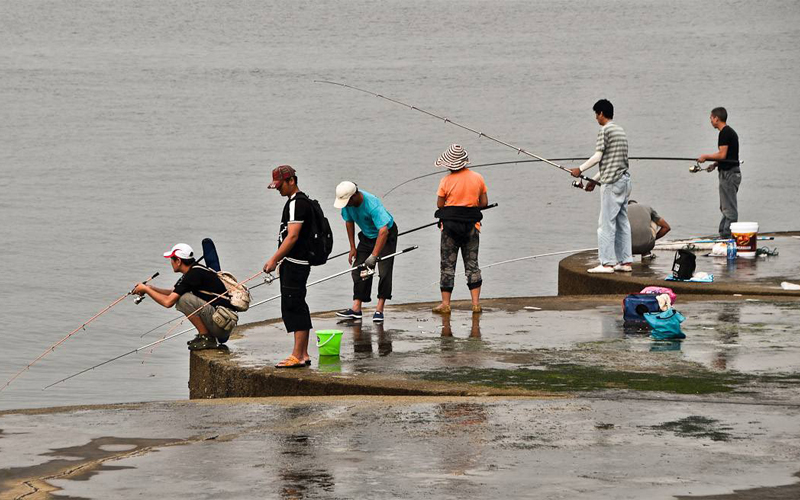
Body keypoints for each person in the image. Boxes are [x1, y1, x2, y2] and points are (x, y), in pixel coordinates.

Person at [133, 243, 236, 351]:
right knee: (181, 296)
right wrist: (151, 288)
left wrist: (146, 289)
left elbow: (168, 302)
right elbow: (173, 292)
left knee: (182, 300)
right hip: (223, 324)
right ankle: (205, 336)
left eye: (172, 259)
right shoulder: (195, 270)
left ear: (178, 261)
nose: (171, 262)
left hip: (221, 325)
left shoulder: (193, 275)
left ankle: (206, 337)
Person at [570, 99, 632, 274]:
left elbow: (598, 157)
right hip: (624, 180)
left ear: (601, 113)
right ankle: (625, 262)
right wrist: (594, 180)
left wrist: (579, 169)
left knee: (605, 224)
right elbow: (612, 161)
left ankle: (606, 263)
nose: (596, 118)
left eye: (596, 114)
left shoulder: (604, 131)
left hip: (612, 183)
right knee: (622, 222)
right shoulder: (620, 131)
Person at [263, 165, 314, 368]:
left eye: (280, 185)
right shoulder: (299, 202)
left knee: (294, 307)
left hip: (296, 264)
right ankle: (304, 353)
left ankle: (297, 356)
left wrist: (275, 258)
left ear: (291, 180)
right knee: (297, 304)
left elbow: (292, 236)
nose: (278, 189)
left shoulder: (296, 203)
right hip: (295, 263)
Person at [431, 144, 488, 315]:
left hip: (449, 229)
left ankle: (446, 304)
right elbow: (484, 202)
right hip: (472, 227)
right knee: (472, 265)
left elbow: (440, 204)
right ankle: (476, 304)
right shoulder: (478, 177)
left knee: (448, 265)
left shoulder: (445, 181)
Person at [333, 181, 398, 322]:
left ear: (354, 195)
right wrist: (352, 247)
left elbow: (383, 231)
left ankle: (379, 310)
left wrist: (374, 256)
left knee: (384, 272)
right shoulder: (347, 204)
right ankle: (356, 309)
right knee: (358, 270)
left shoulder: (372, 204)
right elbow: (348, 221)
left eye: (347, 201)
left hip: (386, 235)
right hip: (367, 237)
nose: (346, 204)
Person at [697, 107, 741, 238]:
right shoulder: (727, 132)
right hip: (728, 172)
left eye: (711, 117)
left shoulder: (725, 133)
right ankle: (723, 234)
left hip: (729, 174)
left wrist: (705, 156)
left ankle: (728, 237)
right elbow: (728, 156)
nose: (710, 120)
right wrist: (715, 164)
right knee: (724, 207)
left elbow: (722, 155)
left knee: (729, 209)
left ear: (717, 118)